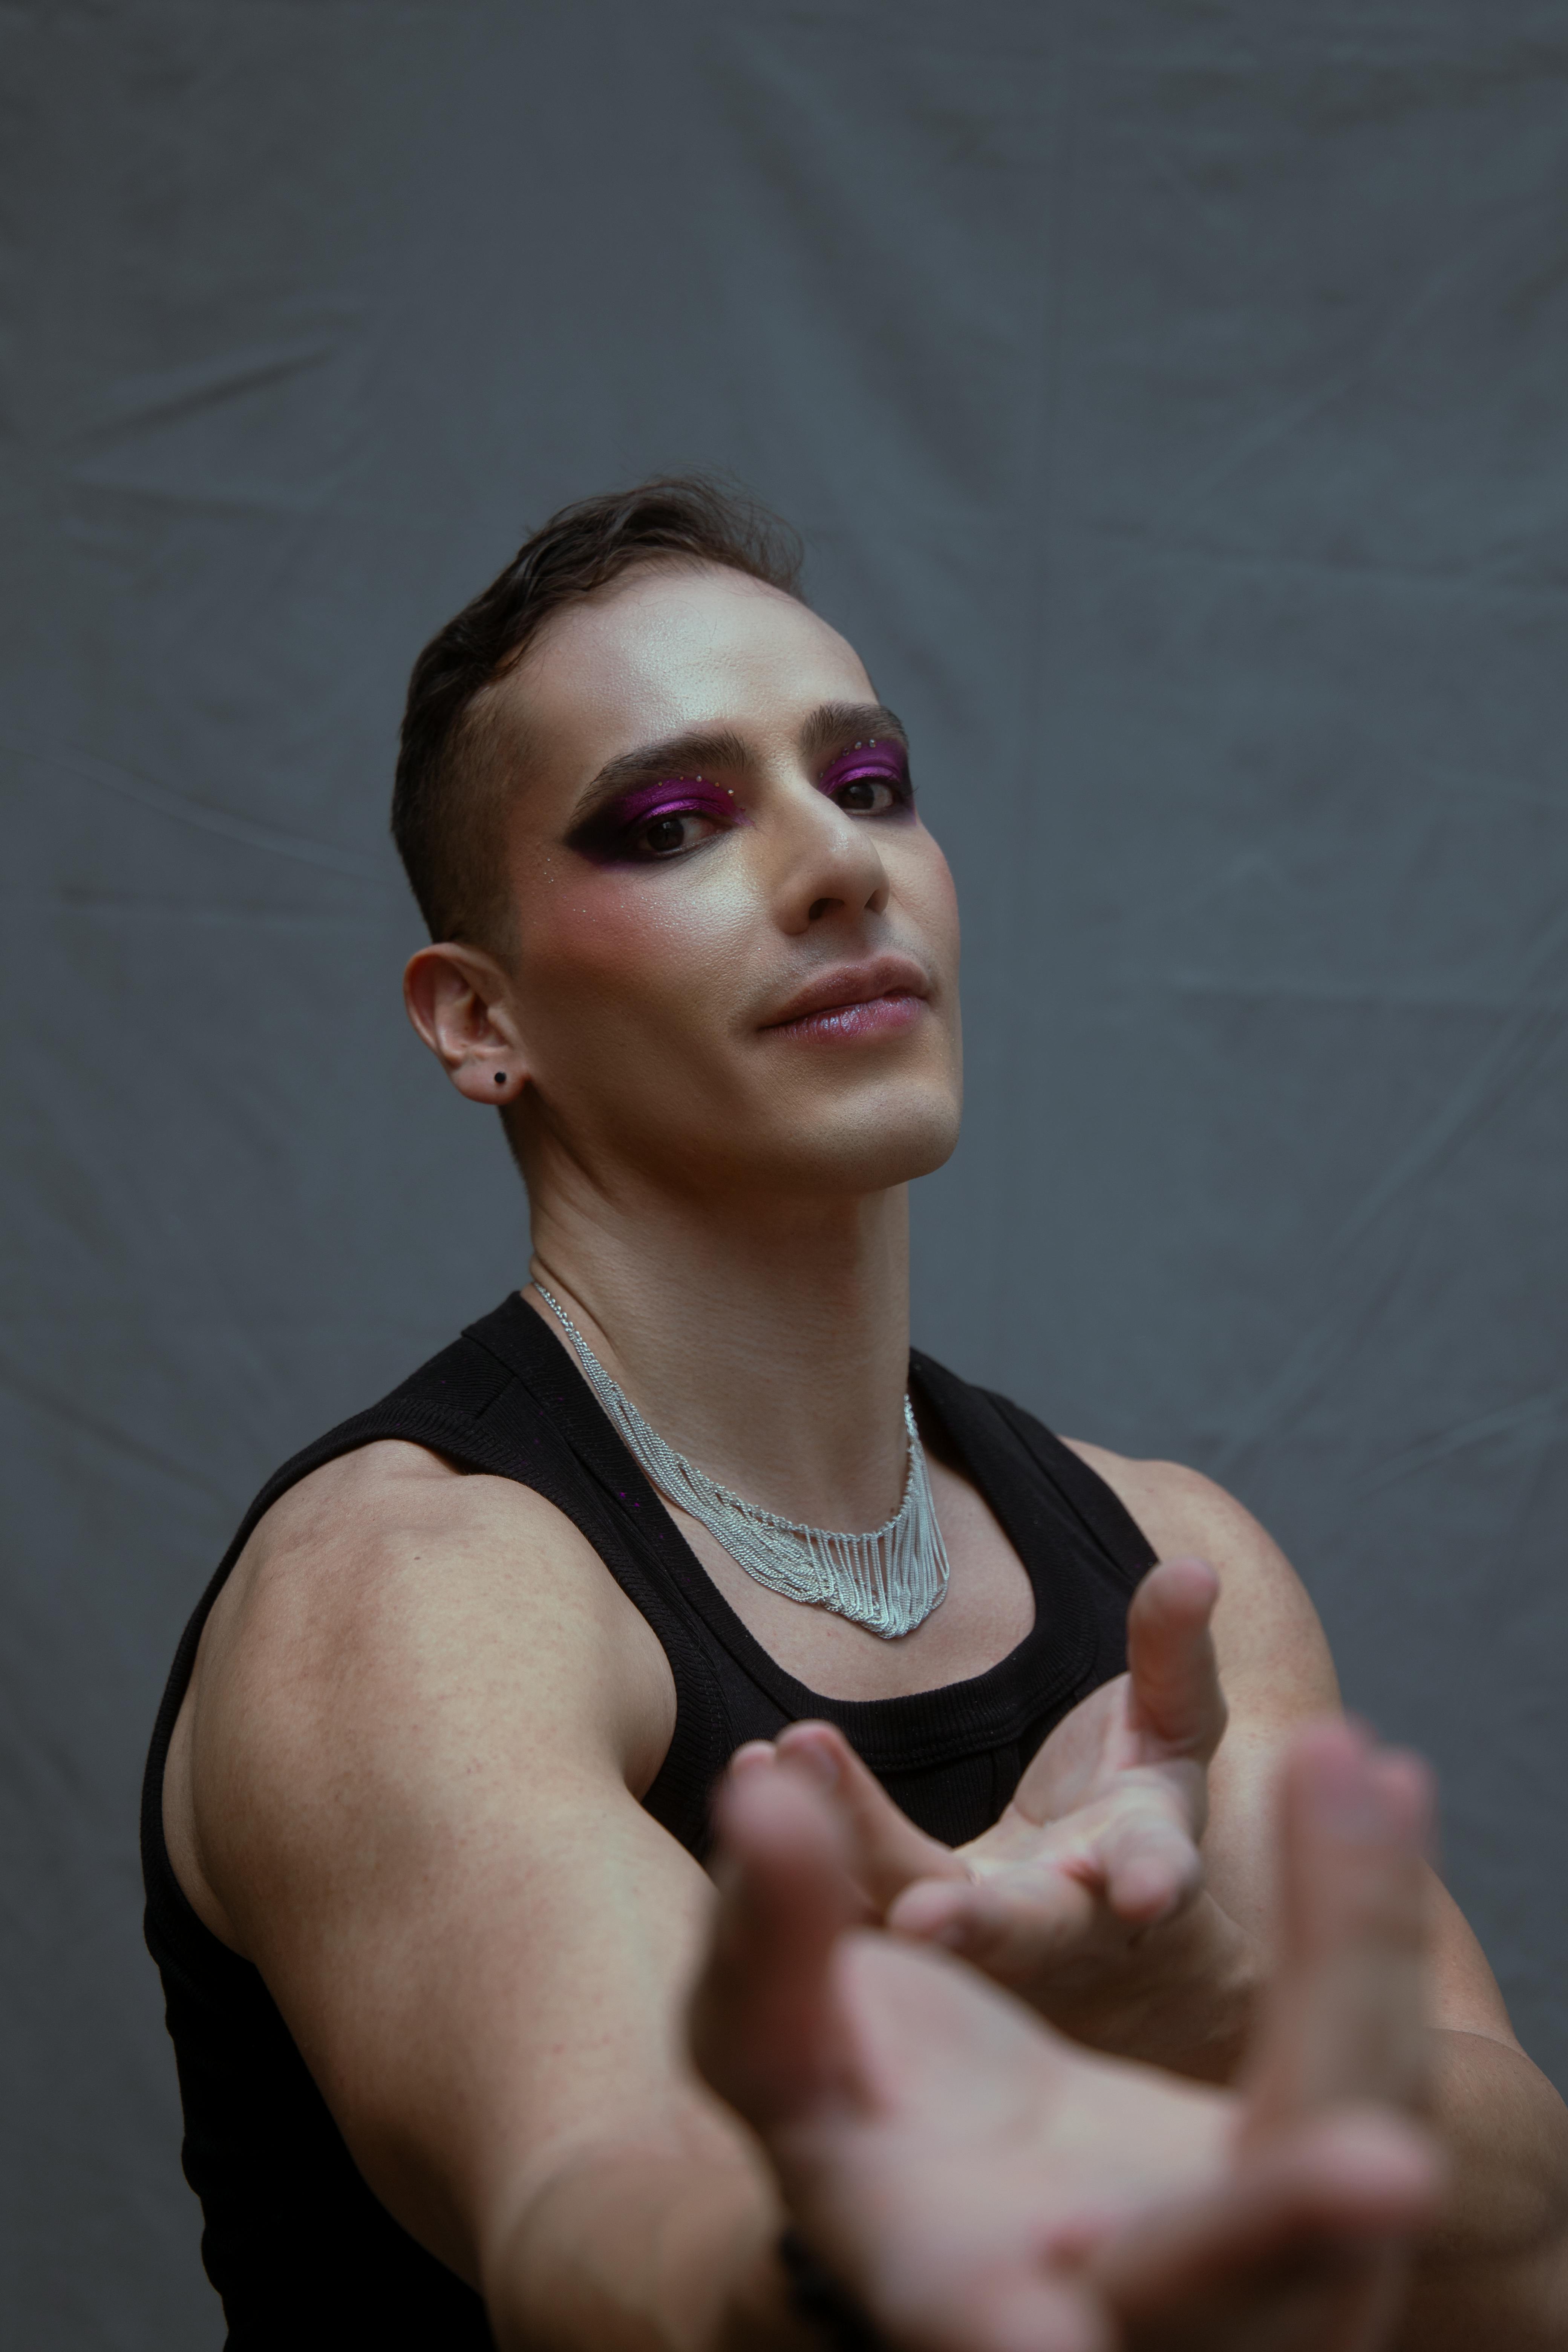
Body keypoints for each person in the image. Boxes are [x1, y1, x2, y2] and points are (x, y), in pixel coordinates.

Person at [143, 478, 1568, 2350]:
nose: (836, 865)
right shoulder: (411, 1590)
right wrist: (881, 2196)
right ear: (478, 1020)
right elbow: (609, 2213)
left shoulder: (1175, 1565)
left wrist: (1205, 2029)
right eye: (669, 822)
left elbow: (1523, 2261)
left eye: (869, 781)